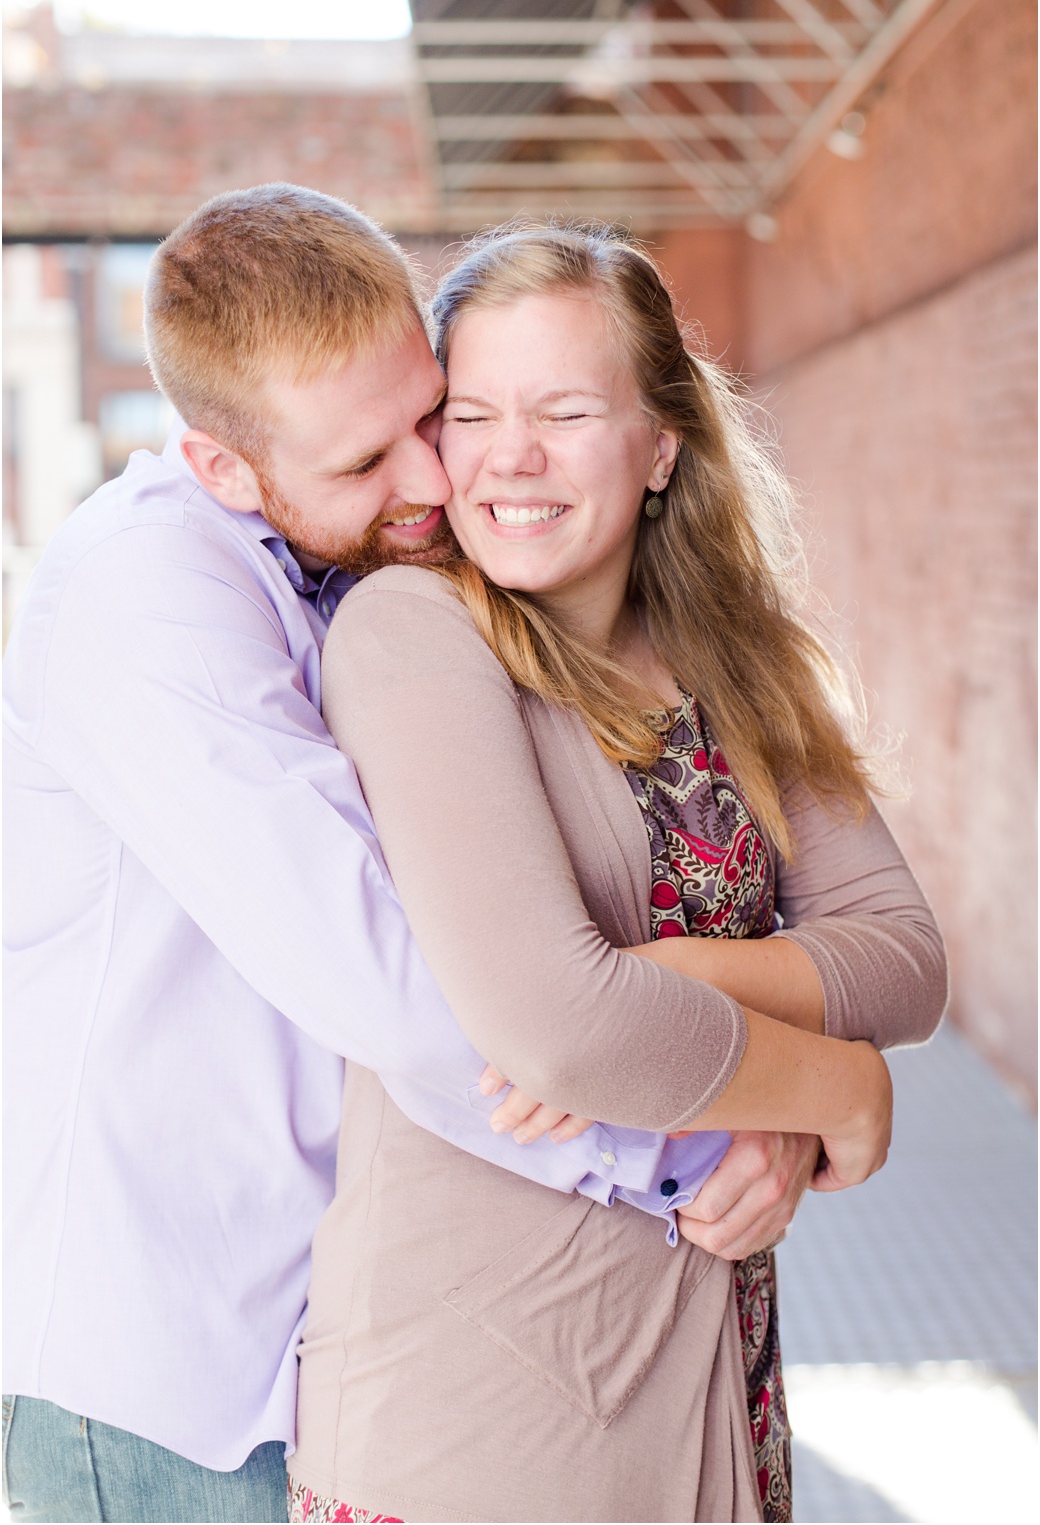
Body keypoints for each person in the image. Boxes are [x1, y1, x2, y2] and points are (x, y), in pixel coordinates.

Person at [3, 187, 836, 1525]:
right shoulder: (142, 601)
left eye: (425, 418)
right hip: (162, 1375)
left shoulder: (345, 558)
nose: (431, 482)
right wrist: (708, 1137)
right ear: (220, 465)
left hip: (302, 1331)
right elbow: (396, 979)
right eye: (364, 463)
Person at [290, 225, 948, 1524]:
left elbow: (907, 954)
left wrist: (691, 979)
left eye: (566, 409)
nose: (509, 455)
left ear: (661, 445)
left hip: (710, 1393)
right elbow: (561, 1025)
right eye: (470, 412)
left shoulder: (742, 663)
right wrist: (837, 1079)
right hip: (482, 1430)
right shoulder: (415, 635)